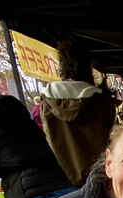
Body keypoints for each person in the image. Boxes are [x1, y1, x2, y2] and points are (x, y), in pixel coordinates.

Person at [39, 39, 117, 187]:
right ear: (88, 66)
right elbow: (111, 136)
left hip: (62, 178)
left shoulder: (47, 101)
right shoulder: (100, 100)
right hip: (99, 175)